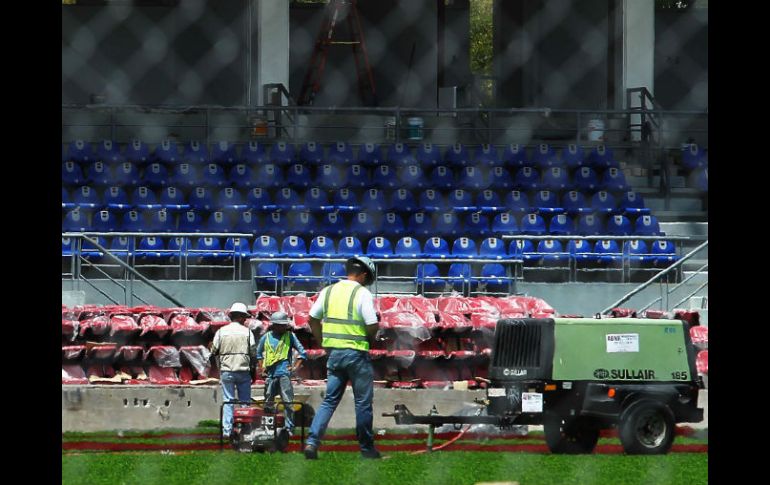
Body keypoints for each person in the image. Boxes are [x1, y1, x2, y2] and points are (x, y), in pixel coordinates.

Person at [303, 256, 382, 460]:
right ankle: (366, 449)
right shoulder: (361, 292)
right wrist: (371, 340)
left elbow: (312, 319)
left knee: (329, 401)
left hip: (334, 354)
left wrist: (323, 343)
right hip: (356, 354)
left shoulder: (328, 291)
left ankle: (312, 442)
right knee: (363, 403)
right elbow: (372, 323)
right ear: (364, 275)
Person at [210, 302, 256, 438]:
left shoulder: (221, 332)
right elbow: (253, 353)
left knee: (228, 401)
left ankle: (227, 431)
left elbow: (213, 351)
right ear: (241, 317)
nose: (246, 320)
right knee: (245, 402)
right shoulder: (248, 332)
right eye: (245, 317)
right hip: (243, 370)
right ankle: (245, 430)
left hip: (226, 371)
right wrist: (253, 371)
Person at [256, 311, 307, 433]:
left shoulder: (290, 337)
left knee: (288, 402)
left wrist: (294, 368)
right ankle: (268, 427)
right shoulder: (266, 337)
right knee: (268, 402)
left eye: (284, 325)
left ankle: (289, 428)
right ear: (273, 325)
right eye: (280, 325)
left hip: (284, 374)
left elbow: (302, 353)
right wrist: (262, 368)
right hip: (270, 374)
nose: (283, 327)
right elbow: (258, 354)